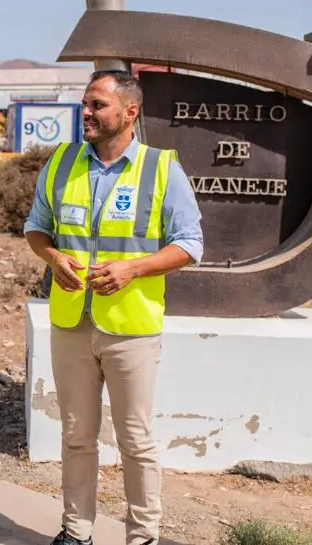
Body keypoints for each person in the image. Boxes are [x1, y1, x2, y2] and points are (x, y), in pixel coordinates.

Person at [23, 70, 204, 545]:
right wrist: (53, 255)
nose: (86, 112)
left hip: (131, 328)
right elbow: (36, 228)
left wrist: (133, 269)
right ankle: (76, 531)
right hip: (71, 323)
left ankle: (142, 536)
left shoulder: (161, 168)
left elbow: (190, 244)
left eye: (97, 105)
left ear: (129, 112)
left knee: (135, 441)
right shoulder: (62, 162)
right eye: (85, 103)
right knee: (77, 435)